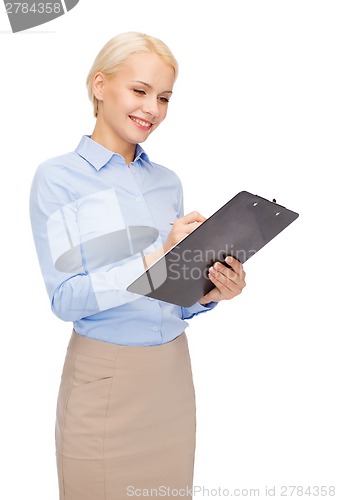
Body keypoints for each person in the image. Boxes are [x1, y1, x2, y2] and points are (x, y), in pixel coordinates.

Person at [29, 31, 246, 500]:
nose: (153, 109)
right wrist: (154, 258)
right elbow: (66, 299)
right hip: (105, 384)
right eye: (140, 91)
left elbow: (168, 295)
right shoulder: (57, 178)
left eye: (164, 97)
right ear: (100, 85)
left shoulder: (167, 182)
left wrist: (207, 294)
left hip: (170, 379)